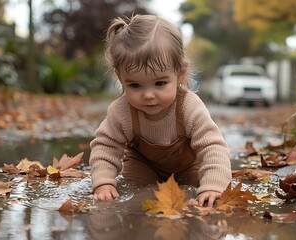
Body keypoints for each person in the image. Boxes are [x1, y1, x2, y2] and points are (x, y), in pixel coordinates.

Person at [89, 14, 232, 207]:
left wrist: (213, 185)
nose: (148, 95)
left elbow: (212, 146)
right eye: (135, 85)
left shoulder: (188, 106)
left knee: (198, 187)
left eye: (159, 83)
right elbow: (106, 145)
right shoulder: (121, 110)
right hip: (142, 165)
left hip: (187, 167)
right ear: (121, 77)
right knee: (133, 193)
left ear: (179, 74)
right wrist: (103, 183)